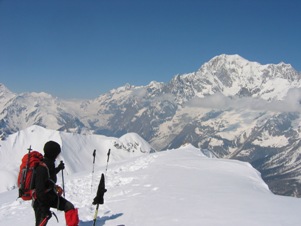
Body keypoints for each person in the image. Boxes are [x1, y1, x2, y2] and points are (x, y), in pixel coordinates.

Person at [33, 141, 79, 226]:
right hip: (40, 202)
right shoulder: (42, 168)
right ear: (53, 153)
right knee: (40, 223)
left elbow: (49, 175)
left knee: (69, 207)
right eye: (57, 153)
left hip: (50, 196)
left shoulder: (48, 163)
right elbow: (39, 191)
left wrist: (58, 168)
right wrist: (44, 208)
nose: (58, 155)